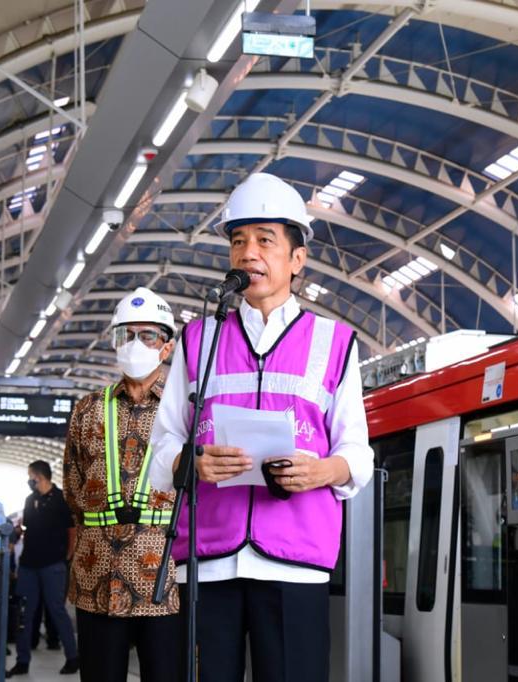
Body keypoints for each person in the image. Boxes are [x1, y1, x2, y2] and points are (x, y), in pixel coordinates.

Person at [150, 172, 374, 681]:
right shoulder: (197, 339)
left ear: (297, 260)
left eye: (265, 240)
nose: (248, 252)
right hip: (209, 562)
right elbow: (163, 443)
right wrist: (194, 461)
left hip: (294, 564)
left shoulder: (334, 343)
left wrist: (322, 472)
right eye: (238, 241)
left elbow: (358, 454)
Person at [63, 287, 181, 682]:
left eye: (147, 335)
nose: (134, 344)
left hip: (164, 582)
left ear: (166, 346)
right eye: (125, 334)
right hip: (97, 579)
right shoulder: (88, 408)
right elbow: (72, 486)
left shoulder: (185, 410)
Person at [6, 461, 78, 677]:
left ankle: (73, 657)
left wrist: (67, 556)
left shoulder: (61, 499)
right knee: (24, 614)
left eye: (30, 476)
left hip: (53, 565)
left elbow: (72, 530)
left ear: (39, 476)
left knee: (57, 610)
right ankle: (22, 660)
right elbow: (27, 527)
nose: (29, 480)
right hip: (29, 565)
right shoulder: (30, 500)